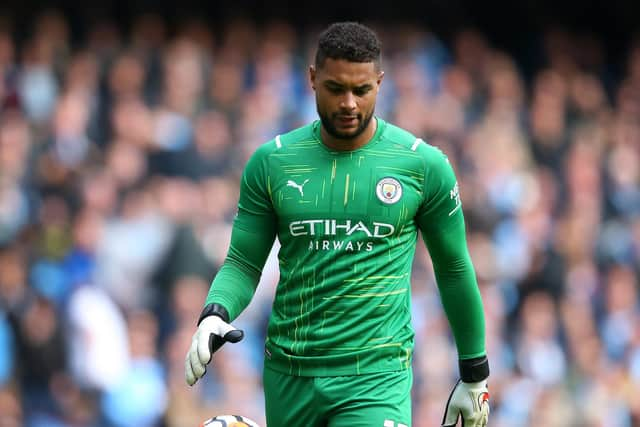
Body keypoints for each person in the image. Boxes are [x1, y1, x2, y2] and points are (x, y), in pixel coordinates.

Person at [185, 21, 490, 427]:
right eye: (336, 88)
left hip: (376, 375)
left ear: (380, 83)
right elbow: (243, 261)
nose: (349, 103)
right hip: (290, 372)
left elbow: (453, 267)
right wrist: (215, 312)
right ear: (312, 79)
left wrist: (475, 373)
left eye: (362, 90)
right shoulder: (272, 162)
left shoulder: (422, 166)